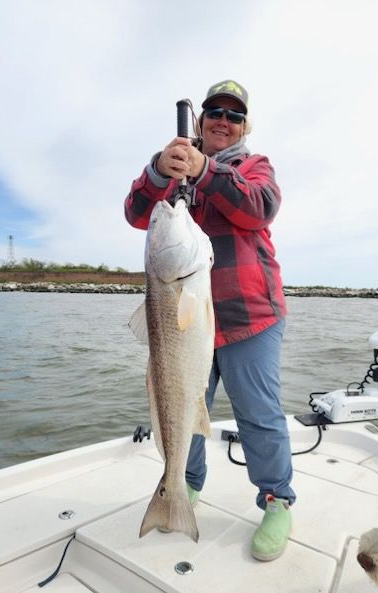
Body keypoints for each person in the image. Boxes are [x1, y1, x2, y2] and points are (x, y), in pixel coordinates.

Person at [124, 79, 295, 561]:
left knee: (259, 416)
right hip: (183, 323)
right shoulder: (174, 167)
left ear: (244, 125)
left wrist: (205, 172)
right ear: (199, 120)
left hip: (249, 317)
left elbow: (259, 208)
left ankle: (276, 499)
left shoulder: (253, 167)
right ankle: (182, 486)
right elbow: (137, 212)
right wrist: (160, 170)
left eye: (233, 114)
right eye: (214, 111)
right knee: (181, 405)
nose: (223, 119)